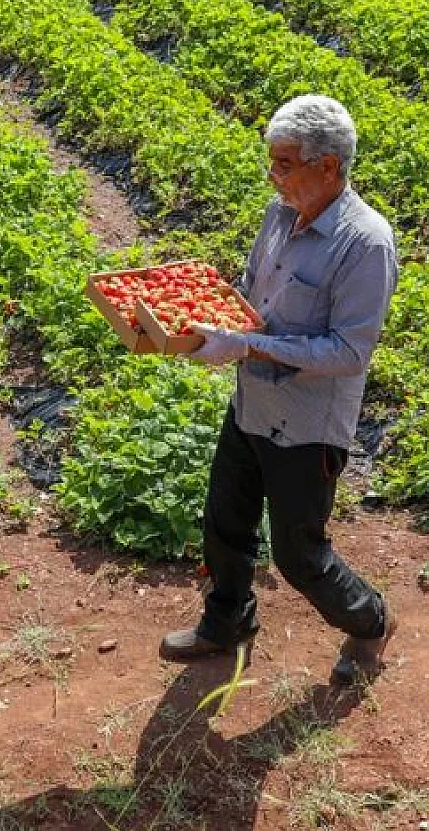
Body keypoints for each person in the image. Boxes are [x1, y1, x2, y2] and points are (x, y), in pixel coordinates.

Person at [159, 95, 399, 684]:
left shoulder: (365, 244)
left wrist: (247, 346)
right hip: (251, 404)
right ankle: (227, 621)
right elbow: (249, 295)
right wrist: (200, 315)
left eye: (286, 164)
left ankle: (372, 623)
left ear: (329, 167)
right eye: (273, 164)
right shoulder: (277, 215)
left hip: (306, 426)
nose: (275, 176)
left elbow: (349, 352)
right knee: (225, 522)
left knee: (299, 556)